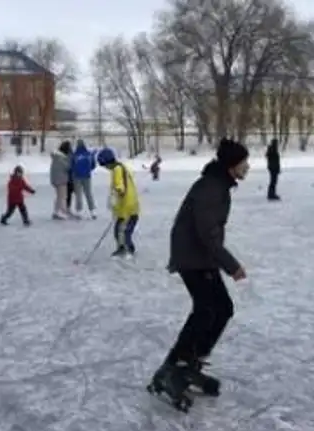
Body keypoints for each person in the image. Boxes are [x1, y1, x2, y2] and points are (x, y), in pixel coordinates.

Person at [148, 138, 249, 405]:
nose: (246, 167)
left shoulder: (217, 185)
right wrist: (232, 265)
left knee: (219, 309)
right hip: (193, 256)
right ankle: (176, 367)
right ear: (231, 165)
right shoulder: (211, 189)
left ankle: (186, 364)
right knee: (208, 310)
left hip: (198, 255)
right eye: (243, 162)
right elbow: (207, 233)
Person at [96, 148, 140, 257]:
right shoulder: (122, 167)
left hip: (127, 207)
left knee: (122, 230)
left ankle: (126, 249)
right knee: (120, 230)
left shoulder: (117, 170)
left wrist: (115, 197)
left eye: (104, 165)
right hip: (128, 206)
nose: (105, 168)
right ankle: (126, 247)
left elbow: (120, 186)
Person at [70, 139, 97, 219]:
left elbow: (71, 166)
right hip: (87, 176)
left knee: (78, 194)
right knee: (88, 193)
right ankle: (93, 211)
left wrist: (74, 173)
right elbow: (93, 165)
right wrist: (88, 170)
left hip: (77, 177)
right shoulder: (89, 154)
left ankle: (79, 211)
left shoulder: (74, 155)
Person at [49, 141, 76, 220]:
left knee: (59, 197)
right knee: (62, 197)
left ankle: (56, 212)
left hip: (57, 179)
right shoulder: (61, 158)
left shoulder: (57, 157)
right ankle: (61, 212)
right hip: (61, 180)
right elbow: (67, 167)